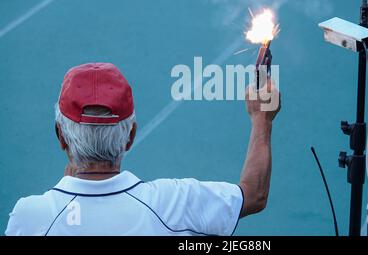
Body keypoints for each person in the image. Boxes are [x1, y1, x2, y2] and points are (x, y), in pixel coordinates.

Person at [5, 62, 280, 236]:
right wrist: (261, 118)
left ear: (60, 136)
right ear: (131, 136)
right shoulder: (174, 202)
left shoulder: (30, 216)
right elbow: (252, 195)